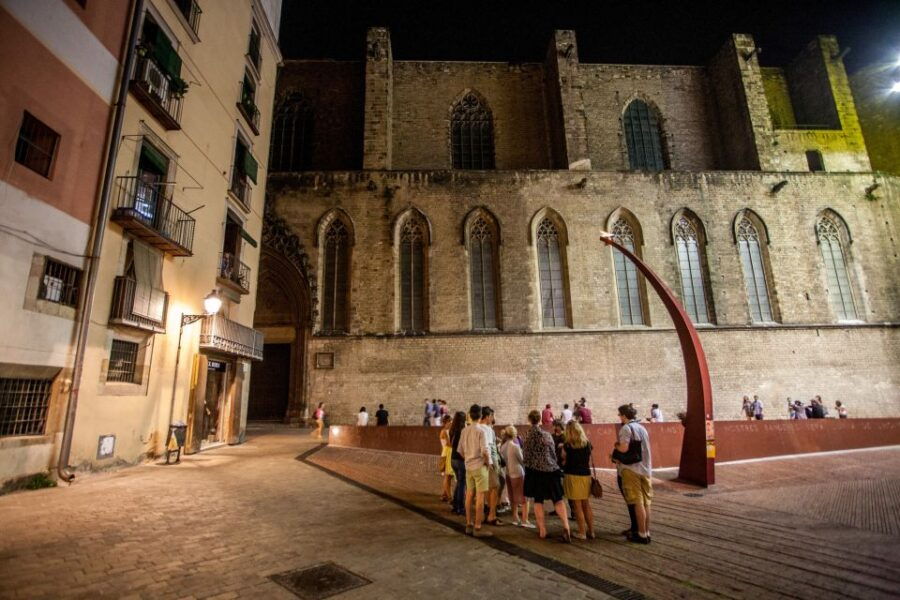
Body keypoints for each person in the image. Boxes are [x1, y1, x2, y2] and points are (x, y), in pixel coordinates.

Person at [523, 410, 571, 541]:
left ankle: (542, 531)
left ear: (529, 420)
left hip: (535, 472)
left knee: (538, 500)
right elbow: (553, 453)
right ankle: (566, 527)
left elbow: (525, 457)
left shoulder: (527, 436)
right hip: (551, 470)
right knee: (558, 499)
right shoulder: (547, 435)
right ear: (540, 420)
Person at [614, 404, 653, 544]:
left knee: (637, 502)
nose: (619, 417)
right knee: (646, 502)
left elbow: (624, 448)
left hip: (631, 469)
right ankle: (646, 532)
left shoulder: (626, 428)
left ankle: (641, 534)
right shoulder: (642, 428)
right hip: (646, 469)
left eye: (620, 414)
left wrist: (616, 446)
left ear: (624, 415)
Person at [459, 404, 493, 537]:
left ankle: (468, 523)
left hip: (468, 467)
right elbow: (485, 450)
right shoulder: (481, 431)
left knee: (469, 495)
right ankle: (478, 527)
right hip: (480, 466)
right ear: (480, 416)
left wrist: (468, 459)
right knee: (480, 497)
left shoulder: (464, 430)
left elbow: (460, 451)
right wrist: (488, 463)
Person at [561, 421, 595, 540]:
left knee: (577, 506)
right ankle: (591, 531)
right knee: (586, 504)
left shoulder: (567, 445)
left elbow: (563, 459)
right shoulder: (587, 444)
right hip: (586, 475)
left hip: (572, 475)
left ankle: (582, 532)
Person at [500, 426, 534, 528]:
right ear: (514, 434)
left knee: (513, 497)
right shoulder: (515, 446)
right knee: (524, 497)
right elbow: (522, 461)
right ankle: (525, 520)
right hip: (518, 473)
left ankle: (515, 518)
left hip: (508, 472)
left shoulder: (503, 446)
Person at [479, 406, 503, 525]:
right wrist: (490, 463)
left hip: (478, 463)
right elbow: (487, 448)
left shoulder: (475, 428)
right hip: (490, 462)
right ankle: (492, 515)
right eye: (492, 416)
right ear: (487, 416)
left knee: (487, 488)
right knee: (495, 487)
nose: (493, 418)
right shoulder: (487, 429)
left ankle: (486, 513)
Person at [448, 411, 467, 515]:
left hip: (453, 459)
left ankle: (455, 506)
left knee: (459, 483)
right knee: (462, 484)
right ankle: (460, 507)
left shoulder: (452, 430)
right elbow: (462, 448)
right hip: (460, 460)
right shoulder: (461, 431)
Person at [439, 414, 453, 502]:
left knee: (448, 476)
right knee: (448, 476)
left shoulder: (448, 430)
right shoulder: (444, 431)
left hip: (447, 453)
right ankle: (449, 497)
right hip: (446, 454)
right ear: (445, 422)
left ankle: (444, 494)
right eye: (449, 421)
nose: (451, 423)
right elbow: (449, 443)